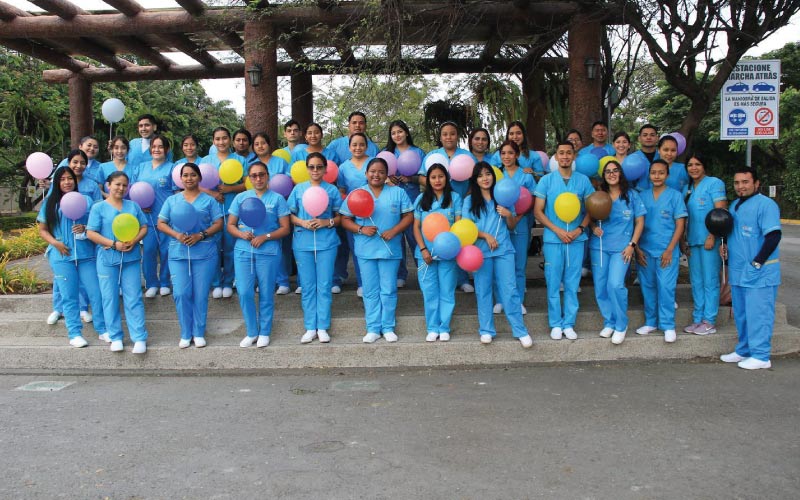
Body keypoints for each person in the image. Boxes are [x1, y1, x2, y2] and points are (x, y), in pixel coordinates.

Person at [340, 157, 413, 343]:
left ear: (386, 174)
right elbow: (345, 219)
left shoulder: (397, 193)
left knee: (388, 289)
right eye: (372, 171)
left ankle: (388, 327)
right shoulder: (357, 194)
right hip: (366, 250)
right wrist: (361, 229)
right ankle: (372, 327)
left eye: (381, 171)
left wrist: (394, 231)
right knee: (370, 291)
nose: (376, 175)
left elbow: (409, 216)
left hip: (390, 249)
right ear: (366, 173)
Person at [462, 162, 533, 348]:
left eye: (488, 174)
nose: (485, 178)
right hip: (480, 253)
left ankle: (520, 330)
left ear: (494, 177)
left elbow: (511, 226)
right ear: (475, 179)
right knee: (483, 291)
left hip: (504, 251)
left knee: (509, 290)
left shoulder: (502, 196)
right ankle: (486, 330)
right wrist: (485, 236)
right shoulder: (469, 201)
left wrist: (509, 214)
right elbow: (466, 229)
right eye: (480, 175)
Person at [38, 166, 108, 347]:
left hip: (86, 254)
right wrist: (56, 243)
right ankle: (74, 333)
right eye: (62, 179)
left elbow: (96, 224)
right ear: (57, 182)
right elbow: (43, 230)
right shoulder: (50, 203)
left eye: (70, 178)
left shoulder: (86, 200)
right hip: (62, 255)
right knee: (69, 296)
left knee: (96, 293)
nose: (67, 182)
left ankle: (102, 330)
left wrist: (85, 228)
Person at [719, 166, 781, 370]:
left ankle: (762, 356)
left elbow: (773, 236)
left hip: (759, 272)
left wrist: (757, 261)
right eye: (737, 183)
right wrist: (726, 250)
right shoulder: (736, 205)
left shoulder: (766, 205)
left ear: (756, 183)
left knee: (759, 314)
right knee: (742, 314)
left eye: (745, 182)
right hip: (739, 272)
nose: (740, 186)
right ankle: (744, 349)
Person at [157, 163, 224, 348]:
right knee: (181, 293)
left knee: (201, 294)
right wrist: (177, 235)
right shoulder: (172, 200)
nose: (189, 178)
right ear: (180, 179)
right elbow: (161, 223)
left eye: (193, 175)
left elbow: (219, 223)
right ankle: (186, 332)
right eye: (185, 175)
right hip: (178, 253)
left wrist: (201, 235)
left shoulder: (209, 201)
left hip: (204, 252)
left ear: (199, 178)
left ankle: (198, 332)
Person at [534, 141, 594, 340]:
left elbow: (591, 209)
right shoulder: (546, 181)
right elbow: (538, 211)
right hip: (553, 239)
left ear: (574, 156)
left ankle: (569, 323)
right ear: (556, 157)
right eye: (562, 153)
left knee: (572, 282)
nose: (566, 156)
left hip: (576, 239)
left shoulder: (584, 181)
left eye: (569, 153)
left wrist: (580, 229)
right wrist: (557, 230)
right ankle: (555, 324)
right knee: (552, 282)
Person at [228, 162, 291, 348]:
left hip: (268, 252)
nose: (258, 178)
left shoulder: (277, 199)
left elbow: (285, 228)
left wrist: (266, 236)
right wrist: (241, 234)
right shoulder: (240, 198)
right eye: (254, 175)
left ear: (267, 176)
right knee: (245, 291)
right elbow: (230, 225)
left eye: (261, 175)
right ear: (248, 178)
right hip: (243, 251)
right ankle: (251, 331)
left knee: (266, 292)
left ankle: (264, 331)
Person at [86, 172, 149, 354]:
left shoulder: (133, 206)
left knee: (133, 297)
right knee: (110, 298)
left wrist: (135, 240)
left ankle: (139, 337)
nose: (121, 188)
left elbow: (143, 227)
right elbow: (91, 232)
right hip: (107, 260)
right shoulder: (99, 208)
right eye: (117, 185)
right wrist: (113, 244)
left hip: (131, 259)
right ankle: (115, 336)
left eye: (124, 185)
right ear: (108, 185)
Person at [286, 152, 342, 343]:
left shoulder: (332, 190)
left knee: (324, 285)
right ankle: (310, 326)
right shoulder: (298, 190)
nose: (316, 170)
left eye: (319, 167)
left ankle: (323, 326)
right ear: (307, 169)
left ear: (326, 169)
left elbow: (340, 217)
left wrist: (327, 222)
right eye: (312, 167)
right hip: (303, 243)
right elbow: (289, 215)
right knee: (308, 286)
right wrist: (302, 222)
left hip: (327, 243)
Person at [589, 160, 645, 344]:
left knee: (615, 284)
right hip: (600, 246)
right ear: (603, 176)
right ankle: (609, 321)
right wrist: (592, 227)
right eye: (608, 172)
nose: (612, 174)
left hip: (622, 248)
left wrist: (632, 245)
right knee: (601, 286)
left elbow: (640, 222)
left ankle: (621, 324)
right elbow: (588, 216)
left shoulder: (632, 196)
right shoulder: (599, 195)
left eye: (615, 171)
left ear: (620, 173)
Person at [46, 149, 103, 325]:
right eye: (75, 162)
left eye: (82, 162)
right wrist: (55, 241)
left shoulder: (91, 186)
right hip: (63, 244)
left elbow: (98, 210)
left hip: (84, 242)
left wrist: (87, 228)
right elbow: (47, 217)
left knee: (86, 280)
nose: (78, 166)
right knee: (62, 280)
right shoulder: (56, 190)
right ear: (68, 164)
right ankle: (58, 308)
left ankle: (83, 308)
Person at [634, 160, 687, 343]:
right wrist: (637, 249)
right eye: (654, 172)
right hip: (645, 250)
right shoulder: (642, 196)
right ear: (649, 175)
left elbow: (680, 224)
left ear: (667, 175)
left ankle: (668, 325)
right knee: (648, 287)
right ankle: (651, 322)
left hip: (667, 250)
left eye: (661, 173)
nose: (657, 176)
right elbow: (637, 224)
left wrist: (671, 249)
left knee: (666, 287)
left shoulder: (675, 196)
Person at [422, 122, 474, 293]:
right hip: (438, 204)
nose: (448, 137)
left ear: (457, 135)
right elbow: (423, 177)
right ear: (440, 137)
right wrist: (436, 182)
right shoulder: (432, 156)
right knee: (441, 238)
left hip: (459, 203)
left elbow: (475, 179)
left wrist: (467, 197)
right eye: (445, 134)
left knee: (459, 237)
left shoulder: (466, 156)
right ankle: (442, 277)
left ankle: (463, 278)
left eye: (452, 134)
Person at [412, 163, 462, 342]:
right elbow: (416, 227)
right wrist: (423, 249)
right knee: (429, 291)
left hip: (448, 254)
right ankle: (432, 327)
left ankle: (444, 327)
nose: (437, 180)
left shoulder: (455, 198)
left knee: (447, 290)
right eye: (433, 177)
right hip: (426, 255)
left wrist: (450, 247)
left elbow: (458, 225)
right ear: (428, 180)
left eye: (441, 176)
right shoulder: (420, 200)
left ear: (446, 178)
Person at [680, 154, 728, 335]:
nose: (693, 168)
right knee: (697, 281)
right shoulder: (687, 188)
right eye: (690, 165)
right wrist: (683, 241)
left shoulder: (714, 183)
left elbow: (721, 212)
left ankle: (709, 320)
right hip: (693, 241)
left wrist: (712, 235)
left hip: (710, 241)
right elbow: (684, 217)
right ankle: (698, 319)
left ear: (704, 166)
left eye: (697, 164)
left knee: (710, 281)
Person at [202, 127, 247, 299]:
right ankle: (215, 283)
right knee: (212, 247)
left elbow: (246, 184)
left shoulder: (239, 160)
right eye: (217, 139)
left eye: (224, 138)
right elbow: (196, 184)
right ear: (213, 141)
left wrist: (230, 188)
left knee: (230, 247)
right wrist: (213, 193)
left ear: (230, 140)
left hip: (232, 209)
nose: (221, 142)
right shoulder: (206, 161)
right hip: (210, 211)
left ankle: (228, 281)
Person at [493, 140, 536, 314]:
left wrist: (517, 217)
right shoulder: (495, 175)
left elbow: (532, 200)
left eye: (510, 153)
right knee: (500, 264)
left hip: (521, 225)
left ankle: (518, 301)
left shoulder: (526, 177)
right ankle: (500, 300)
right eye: (503, 153)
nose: (507, 156)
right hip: (498, 226)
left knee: (519, 265)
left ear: (517, 155)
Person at [384, 119, 425, 288]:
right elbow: (377, 174)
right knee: (396, 239)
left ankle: (423, 270)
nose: (397, 135)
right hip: (392, 201)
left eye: (400, 131)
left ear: (406, 132)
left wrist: (411, 178)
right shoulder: (387, 153)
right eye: (393, 133)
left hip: (413, 199)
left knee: (415, 236)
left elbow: (426, 177)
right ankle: (400, 274)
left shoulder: (418, 152)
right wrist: (388, 180)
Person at [134, 135, 176, 298]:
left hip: (166, 218)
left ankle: (165, 281)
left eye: (160, 146)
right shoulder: (140, 168)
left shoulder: (172, 168)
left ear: (166, 150)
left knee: (166, 251)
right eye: (154, 146)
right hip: (147, 217)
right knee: (149, 251)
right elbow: (133, 191)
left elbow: (176, 193)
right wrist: (139, 207)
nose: (157, 149)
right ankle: (151, 282)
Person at [252, 131, 293, 295]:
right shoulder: (252, 164)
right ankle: (263, 281)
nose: (260, 146)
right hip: (255, 208)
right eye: (256, 144)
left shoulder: (281, 162)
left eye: (263, 142)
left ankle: (282, 280)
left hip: (276, 205)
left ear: (269, 145)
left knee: (279, 245)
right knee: (258, 245)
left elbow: (288, 183)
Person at [334, 132, 373, 295]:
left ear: (367, 146)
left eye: (361, 144)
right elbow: (342, 190)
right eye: (354, 145)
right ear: (349, 147)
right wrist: (350, 202)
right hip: (350, 211)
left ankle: (369, 282)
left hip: (372, 210)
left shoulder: (373, 162)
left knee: (369, 248)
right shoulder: (343, 167)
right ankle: (360, 282)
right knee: (354, 246)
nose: (358, 148)